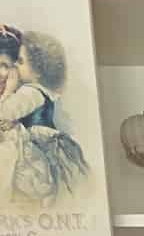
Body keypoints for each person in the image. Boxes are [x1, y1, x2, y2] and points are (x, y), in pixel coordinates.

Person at [0, 30, 87, 205]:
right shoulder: (33, 91)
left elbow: (6, 112)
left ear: (38, 71)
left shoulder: (30, 92)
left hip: (39, 144)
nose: (15, 67)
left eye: (19, 62)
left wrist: (9, 91)